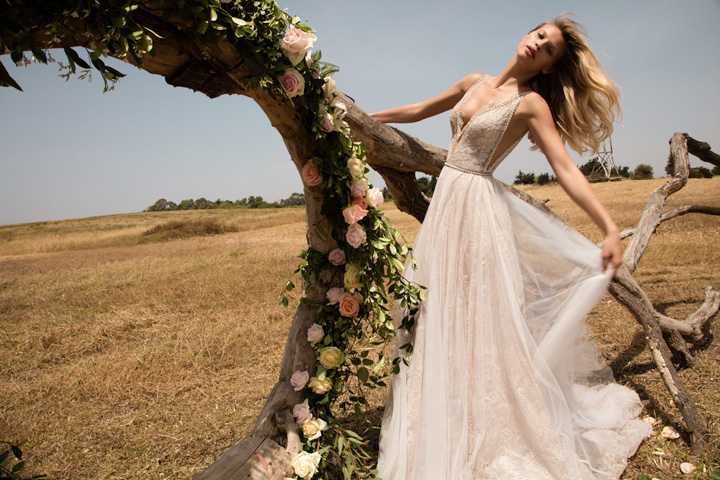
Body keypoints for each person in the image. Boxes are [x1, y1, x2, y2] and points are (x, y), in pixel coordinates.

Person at [370, 15, 652, 480]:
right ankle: (441, 414)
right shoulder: (472, 82)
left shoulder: (532, 104)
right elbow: (419, 108)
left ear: (547, 66)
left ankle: (486, 422)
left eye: (549, 50)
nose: (539, 45)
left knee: (480, 318)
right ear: (526, 35)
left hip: (478, 211)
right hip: (446, 211)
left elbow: (565, 169)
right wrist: (362, 120)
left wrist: (608, 226)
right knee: (435, 309)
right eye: (540, 36)